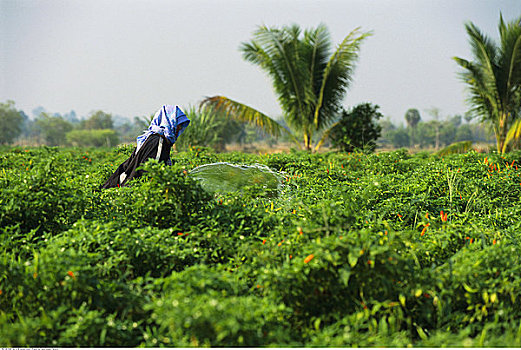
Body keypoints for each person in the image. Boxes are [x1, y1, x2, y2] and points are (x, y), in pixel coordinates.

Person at [100, 104, 190, 189]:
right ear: (170, 122)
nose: (179, 128)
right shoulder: (158, 141)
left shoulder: (153, 138)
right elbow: (151, 169)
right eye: (178, 125)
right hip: (135, 186)